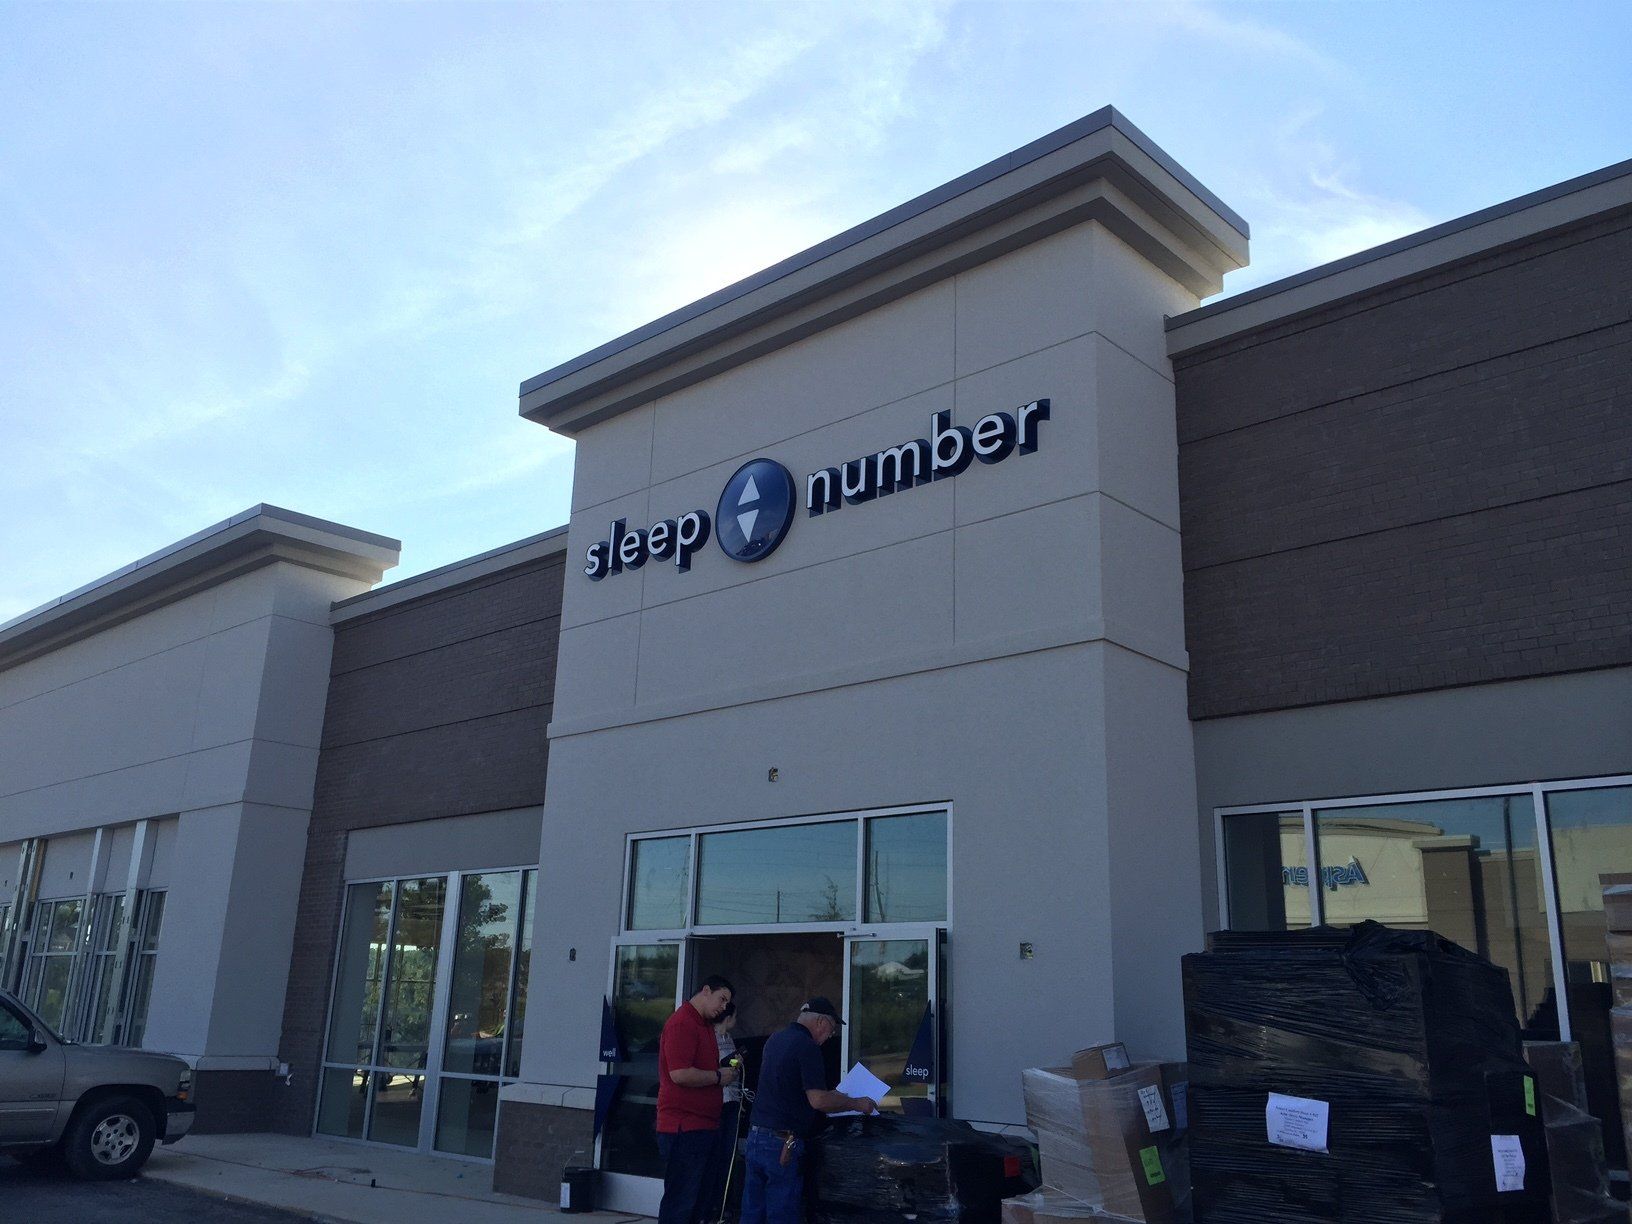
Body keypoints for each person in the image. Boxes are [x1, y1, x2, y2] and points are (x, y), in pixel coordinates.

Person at [739, 997, 877, 1224]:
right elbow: (818, 1100)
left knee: (752, 1211)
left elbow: (789, 1089)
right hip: (782, 1144)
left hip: (756, 1138)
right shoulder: (807, 1047)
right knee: (781, 1212)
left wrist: (836, 1096)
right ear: (821, 1022)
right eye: (831, 1031)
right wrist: (857, 1103)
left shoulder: (775, 1039)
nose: (829, 1037)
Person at [657, 976, 739, 1224]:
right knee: (682, 1201)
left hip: (704, 1126)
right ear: (706, 991)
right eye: (721, 999)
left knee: (700, 1201)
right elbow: (680, 1073)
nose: (724, 1007)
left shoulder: (704, 1026)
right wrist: (717, 1077)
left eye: (727, 1003)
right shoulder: (682, 1023)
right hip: (684, 1127)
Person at [696, 1001, 743, 1224]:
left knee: (728, 1156)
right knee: (716, 1156)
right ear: (728, 1017)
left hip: (733, 1099)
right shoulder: (711, 1037)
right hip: (719, 1102)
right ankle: (709, 1209)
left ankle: (721, 1207)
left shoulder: (727, 1038)